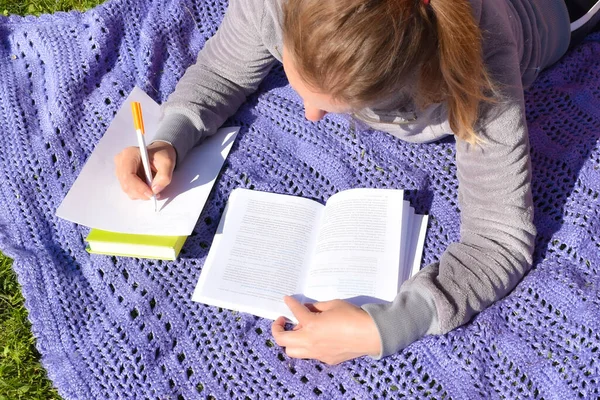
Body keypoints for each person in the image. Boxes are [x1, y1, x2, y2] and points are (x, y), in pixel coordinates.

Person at [114, 0, 600, 364]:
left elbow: (499, 238)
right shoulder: (273, 6)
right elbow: (222, 69)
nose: (309, 116)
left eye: (337, 107)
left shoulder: (477, 62)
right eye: (296, 80)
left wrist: (383, 328)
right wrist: (170, 138)